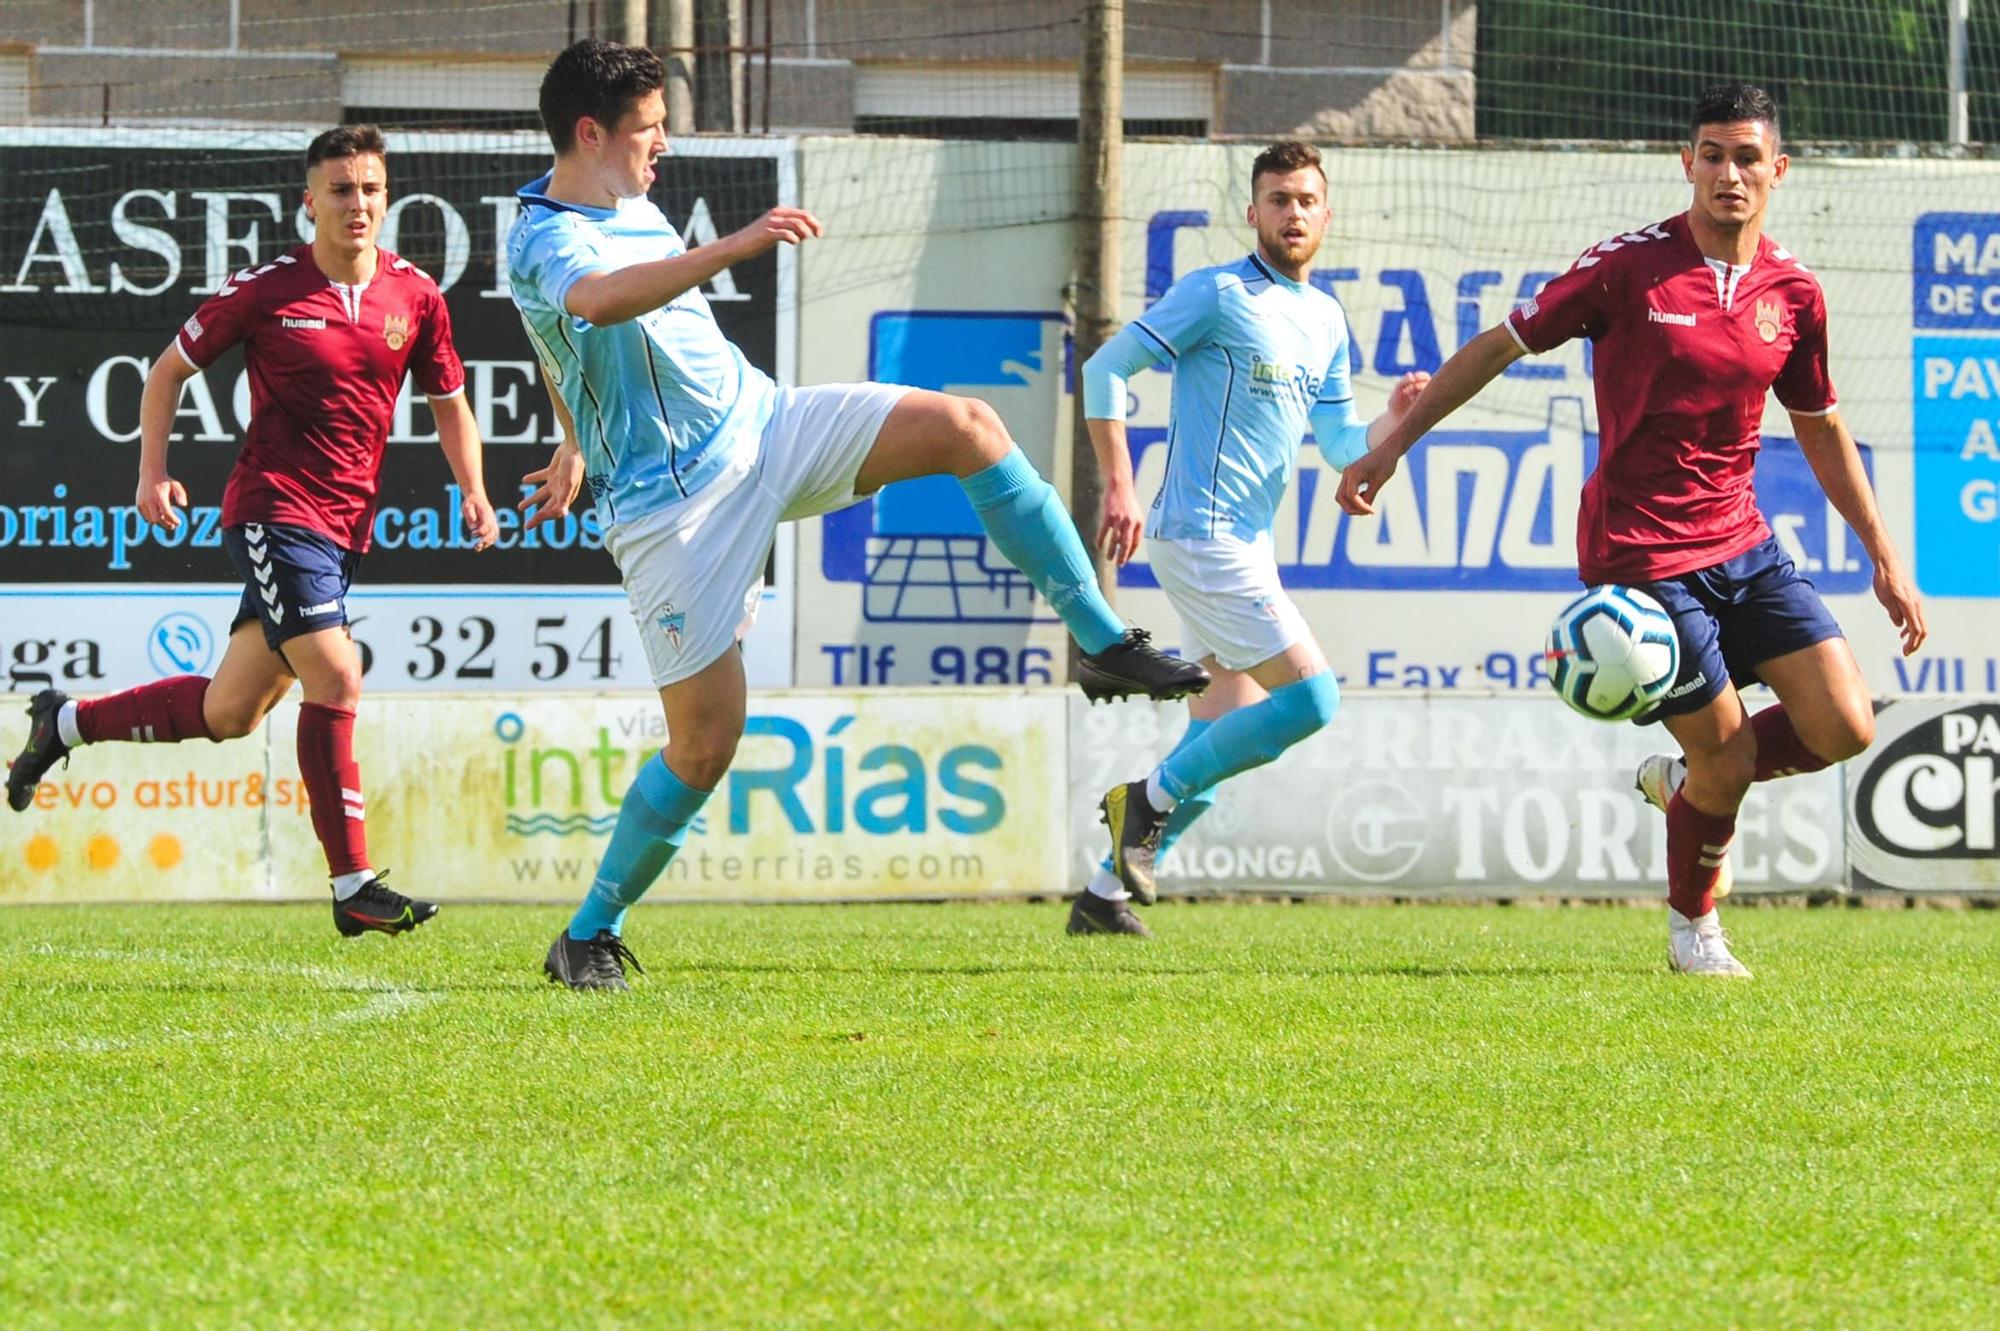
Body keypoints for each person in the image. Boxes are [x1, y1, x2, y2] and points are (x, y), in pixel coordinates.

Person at [509, 40, 1209, 990]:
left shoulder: (628, 196)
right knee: (707, 744)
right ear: (589, 134)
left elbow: (565, 353)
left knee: (967, 425)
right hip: (676, 510)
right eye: (648, 131)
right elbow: (592, 304)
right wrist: (735, 246)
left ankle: (1097, 639)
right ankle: (588, 934)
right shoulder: (545, 236)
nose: (662, 146)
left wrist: (573, 437)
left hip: (767, 423)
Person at [1336, 84, 1926, 976]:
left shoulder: (1794, 292)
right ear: (1686, 162)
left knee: (1845, 724)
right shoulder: (1628, 269)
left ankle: (1685, 783)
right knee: (1725, 757)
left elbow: (1820, 422)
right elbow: (1499, 343)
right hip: (1643, 556)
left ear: (1779, 170)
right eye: (1714, 155)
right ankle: (1696, 929)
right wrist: (1394, 446)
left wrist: (1885, 556)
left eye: (1748, 157)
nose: (1731, 173)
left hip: (1745, 543)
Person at [5, 125, 499, 937]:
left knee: (231, 711)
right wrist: (150, 470)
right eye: (341, 190)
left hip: (343, 532)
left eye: (371, 188)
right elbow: (167, 371)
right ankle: (353, 884)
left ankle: (62, 722)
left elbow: (450, 405)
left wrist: (473, 488)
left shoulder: (416, 295)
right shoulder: (267, 289)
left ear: (388, 198)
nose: (359, 204)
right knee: (337, 678)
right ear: (311, 203)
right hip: (273, 511)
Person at [1071, 140, 1427, 937]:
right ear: (1253, 212)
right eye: (1277, 199)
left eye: (1305, 200)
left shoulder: (1325, 317)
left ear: (1326, 215)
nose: (1292, 213)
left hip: (1241, 542)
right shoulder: (1217, 294)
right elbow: (1104, 371)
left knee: (1223, 730)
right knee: (1311, 699)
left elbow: (1338, 442)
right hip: (1199, 534)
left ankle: (1104, 897)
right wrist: (1120, 482)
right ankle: (1146, 801)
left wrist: (1396, 418)